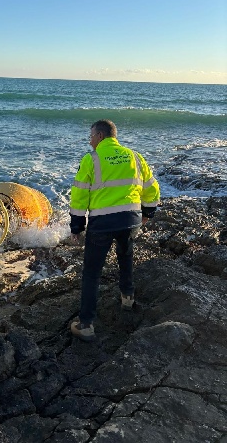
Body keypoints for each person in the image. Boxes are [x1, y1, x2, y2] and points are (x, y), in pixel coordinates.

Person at [69, 119, 160, 342]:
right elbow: (151, 188)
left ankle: (87, 325)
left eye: (90, 136)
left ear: (100, 136)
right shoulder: (135, 156)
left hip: (102, 223)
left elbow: (79, 196)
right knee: (125, 256)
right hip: (130, 219)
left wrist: (77, 227)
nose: (89, 141)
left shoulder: (92, 159)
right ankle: (127, 298)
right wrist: (148, 213)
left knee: (92, 272)